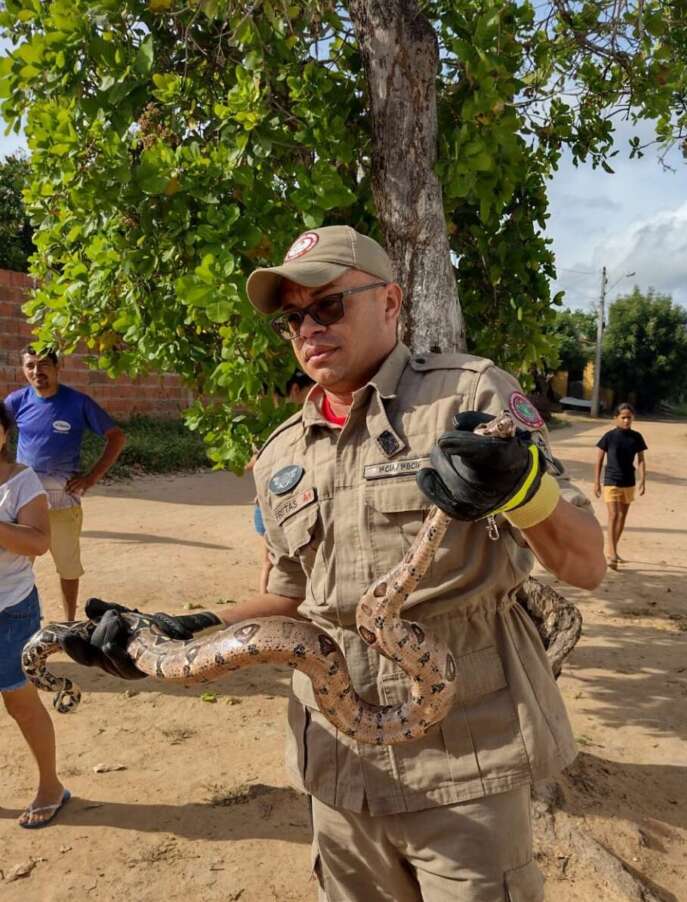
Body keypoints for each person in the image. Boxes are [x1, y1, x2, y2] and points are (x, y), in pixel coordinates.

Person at [61, 225, 606, 901]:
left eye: (328, 306)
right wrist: (179, 627)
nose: (308, 329)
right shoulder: (282, 453)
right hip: (340, 774)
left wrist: (523, 487)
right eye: (294, 318)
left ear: (390, 302)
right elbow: (291, 599)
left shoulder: (469, 399)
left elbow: (585, 562)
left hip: (468, 769)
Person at [4, 347, 126, 620]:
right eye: (31, 366)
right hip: (23, 505)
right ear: (23, 369)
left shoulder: (78, 403)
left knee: (68, 568)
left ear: (59, 368)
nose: (37, 372)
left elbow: (117, 436)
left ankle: (69, 623)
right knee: (16, 567)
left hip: (63, 503)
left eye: (44, 365)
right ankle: (21, 621)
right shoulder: (16, 402)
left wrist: (91, 477)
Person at [0, 401, 70, 828]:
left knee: (20, 703)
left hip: (10, 610)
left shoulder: (23, 483)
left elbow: (38, 542)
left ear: (4, 433)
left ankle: (50, 786)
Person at [247, 371, 314, 592]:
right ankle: (269, 599)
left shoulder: (293, 423)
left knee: (271, 562)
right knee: (273, 563)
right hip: (273, 502)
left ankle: (268, 598)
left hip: (273, 503)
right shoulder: (290, 427)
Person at [594, 402, 648, 569]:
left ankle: (613, 551)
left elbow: (641, 460)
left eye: (629, 418)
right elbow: (599, 459)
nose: (626, 421)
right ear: (615, 418)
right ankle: (610, 553)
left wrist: (643, 480)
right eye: (623, 417)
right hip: (611, 481)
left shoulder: (637, 437)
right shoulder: (609, 437)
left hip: (629, 482)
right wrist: (596, 481)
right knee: (613, 515)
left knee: (622, 517)